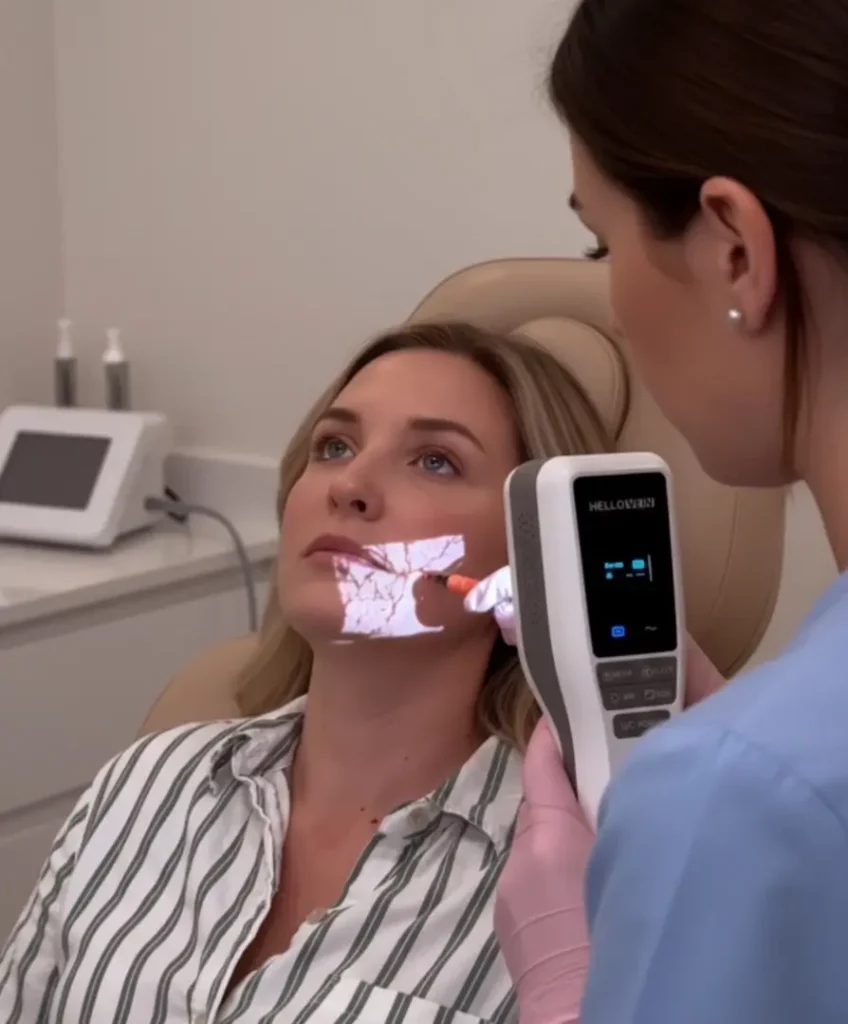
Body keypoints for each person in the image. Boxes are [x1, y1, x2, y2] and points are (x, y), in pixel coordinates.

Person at [0, 321, 616, 1024]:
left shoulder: (568, 880)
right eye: (335, 446)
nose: (349, 485)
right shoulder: (146, 783)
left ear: (534, 552)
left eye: (435, 461)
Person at [493, 1, 848, 1022]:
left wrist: (570, 990)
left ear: (733, 248)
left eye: (600, 247)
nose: (611, 303)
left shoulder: (736, 801)